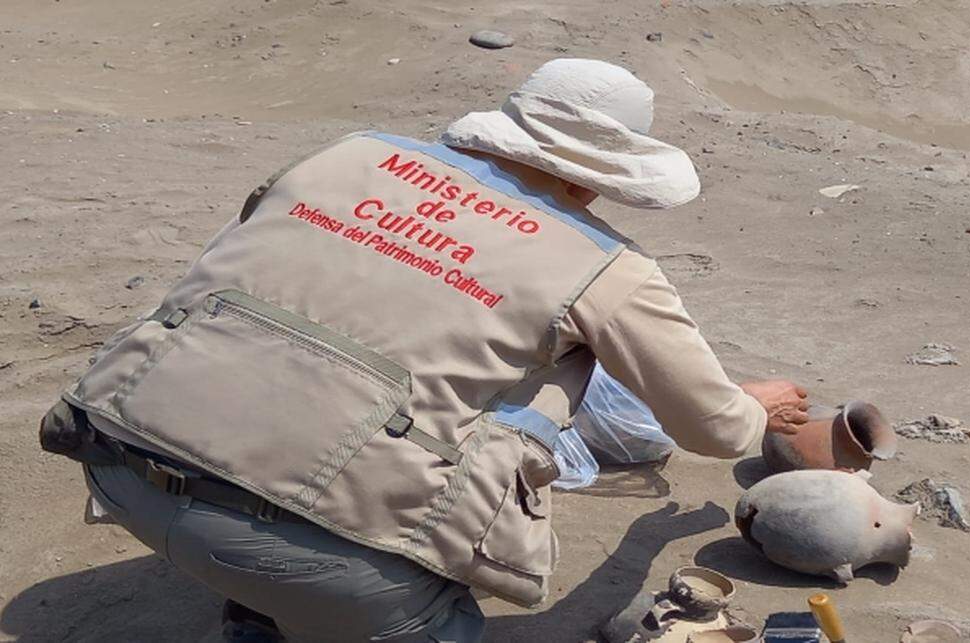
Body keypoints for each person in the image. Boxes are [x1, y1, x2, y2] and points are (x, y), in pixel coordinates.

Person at [39, 58, 810, 642]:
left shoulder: (347, 155)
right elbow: (711, 428)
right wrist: (757, 408)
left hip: (120, 462)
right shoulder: (607, 266)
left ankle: (262, 607)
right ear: (601, 178)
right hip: (328, 562)